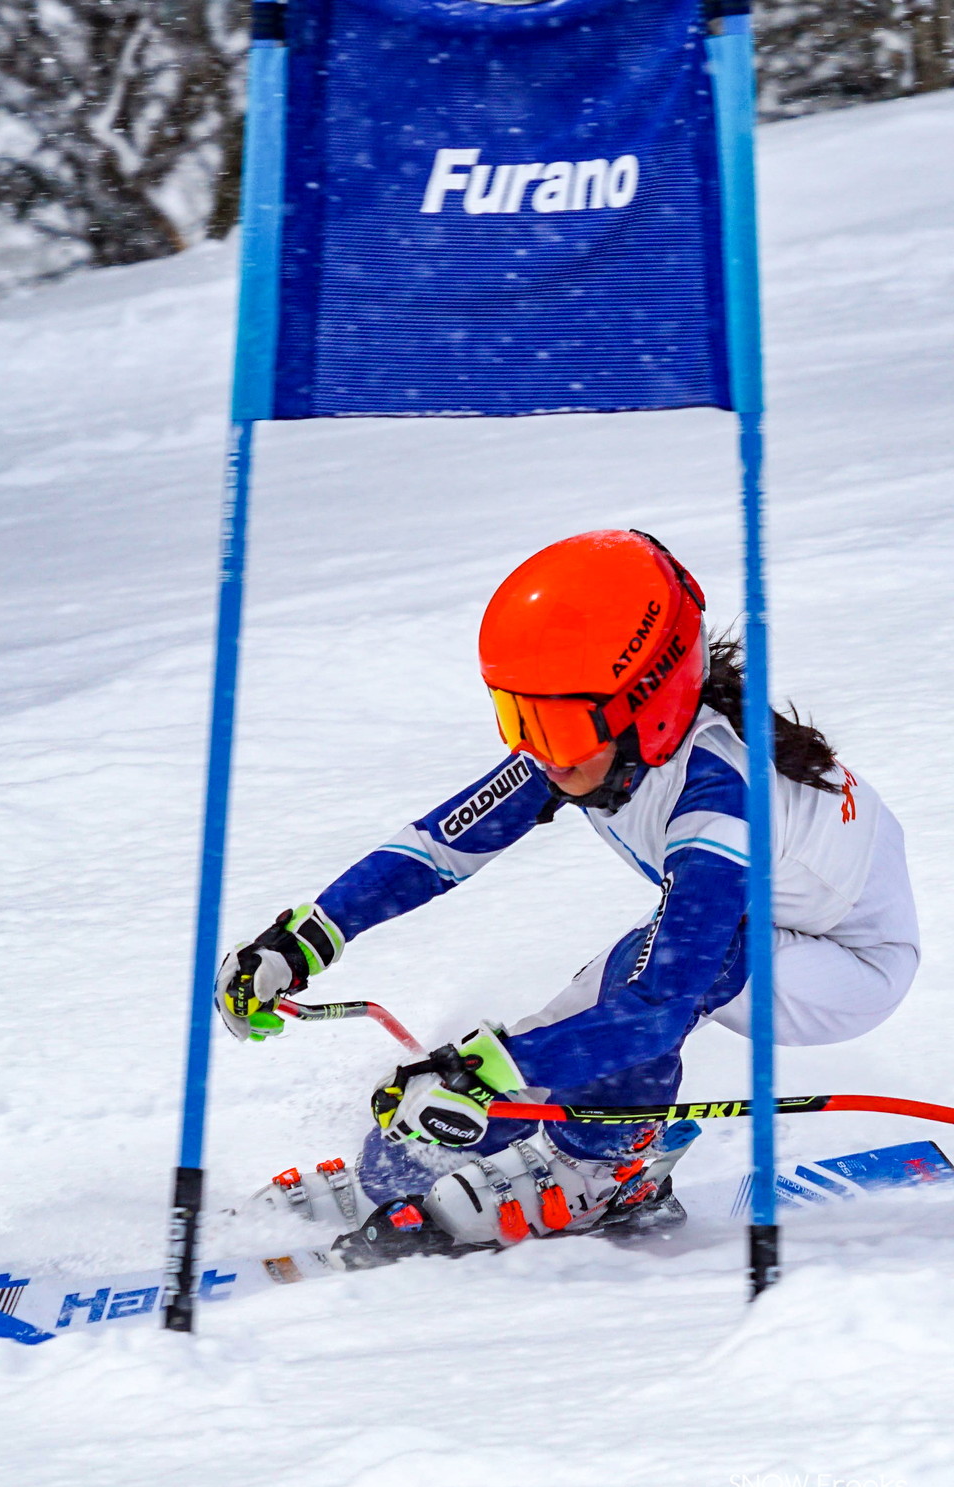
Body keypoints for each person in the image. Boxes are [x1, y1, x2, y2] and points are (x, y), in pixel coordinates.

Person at [215, 529, 920, 1263]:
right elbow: (438, 849)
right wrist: (303, 938)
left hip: (846, 968)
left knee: (626, 991)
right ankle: (394, 1176)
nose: (538, 752)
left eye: (553, 724)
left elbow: (656, 1012)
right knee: (548, 1034)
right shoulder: (592, 748)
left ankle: (602, 1175)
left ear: (648, 706)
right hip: (751, 922)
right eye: (520, 719)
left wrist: (493, 1075)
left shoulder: (721, 798)